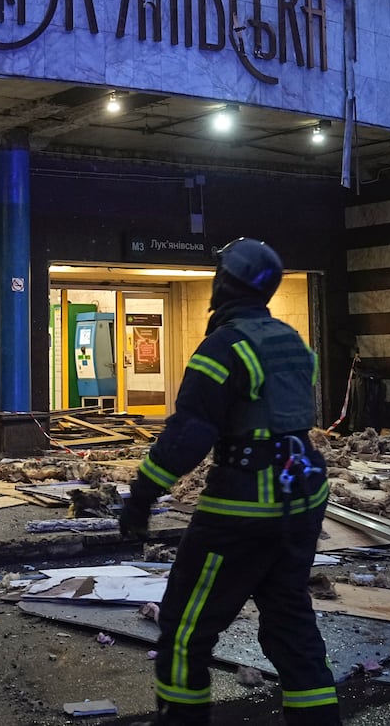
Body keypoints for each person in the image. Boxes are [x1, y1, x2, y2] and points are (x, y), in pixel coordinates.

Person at [120, 238, 339, 726]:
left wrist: (140, 497)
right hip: (302, 495)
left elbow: (190, 433)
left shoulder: (223, 347)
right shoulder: (292, 341)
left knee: (184, 631)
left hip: (243, 507)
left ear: (226, 283)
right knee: (290, 624)